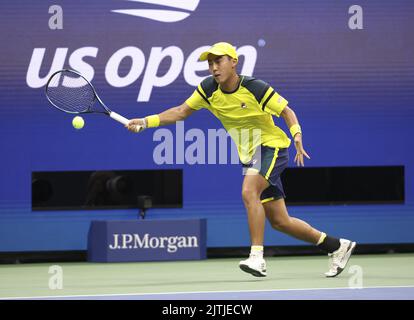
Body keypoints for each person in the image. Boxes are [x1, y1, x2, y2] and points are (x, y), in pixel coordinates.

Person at [126, 42, 356, 278]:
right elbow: (181, 111)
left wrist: (296, 133)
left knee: (249, 192)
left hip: (271, 147)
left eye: (219, 61)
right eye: (210, 63)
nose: (214, 68)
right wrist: (146, 121)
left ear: (233, 62)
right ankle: (336, 246)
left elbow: (287, 111)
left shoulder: (254, 87)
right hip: (250, 155)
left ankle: (257, 257)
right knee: (280, 221)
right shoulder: (208, 89)